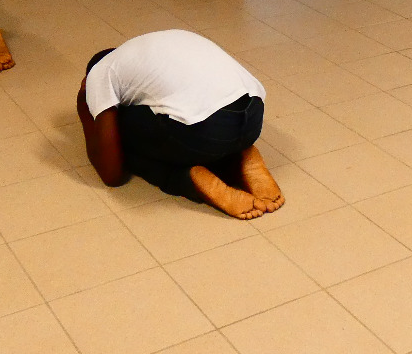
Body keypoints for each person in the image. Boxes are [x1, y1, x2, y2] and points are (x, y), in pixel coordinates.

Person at [77, 30, 283, 219]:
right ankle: (239, 157)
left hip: (207, 132)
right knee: (168, 113)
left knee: (118, 136)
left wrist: (85, 109)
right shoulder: (151, 46)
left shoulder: (100, 73)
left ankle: (188, 179)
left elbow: (111, 175)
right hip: (252, 117)